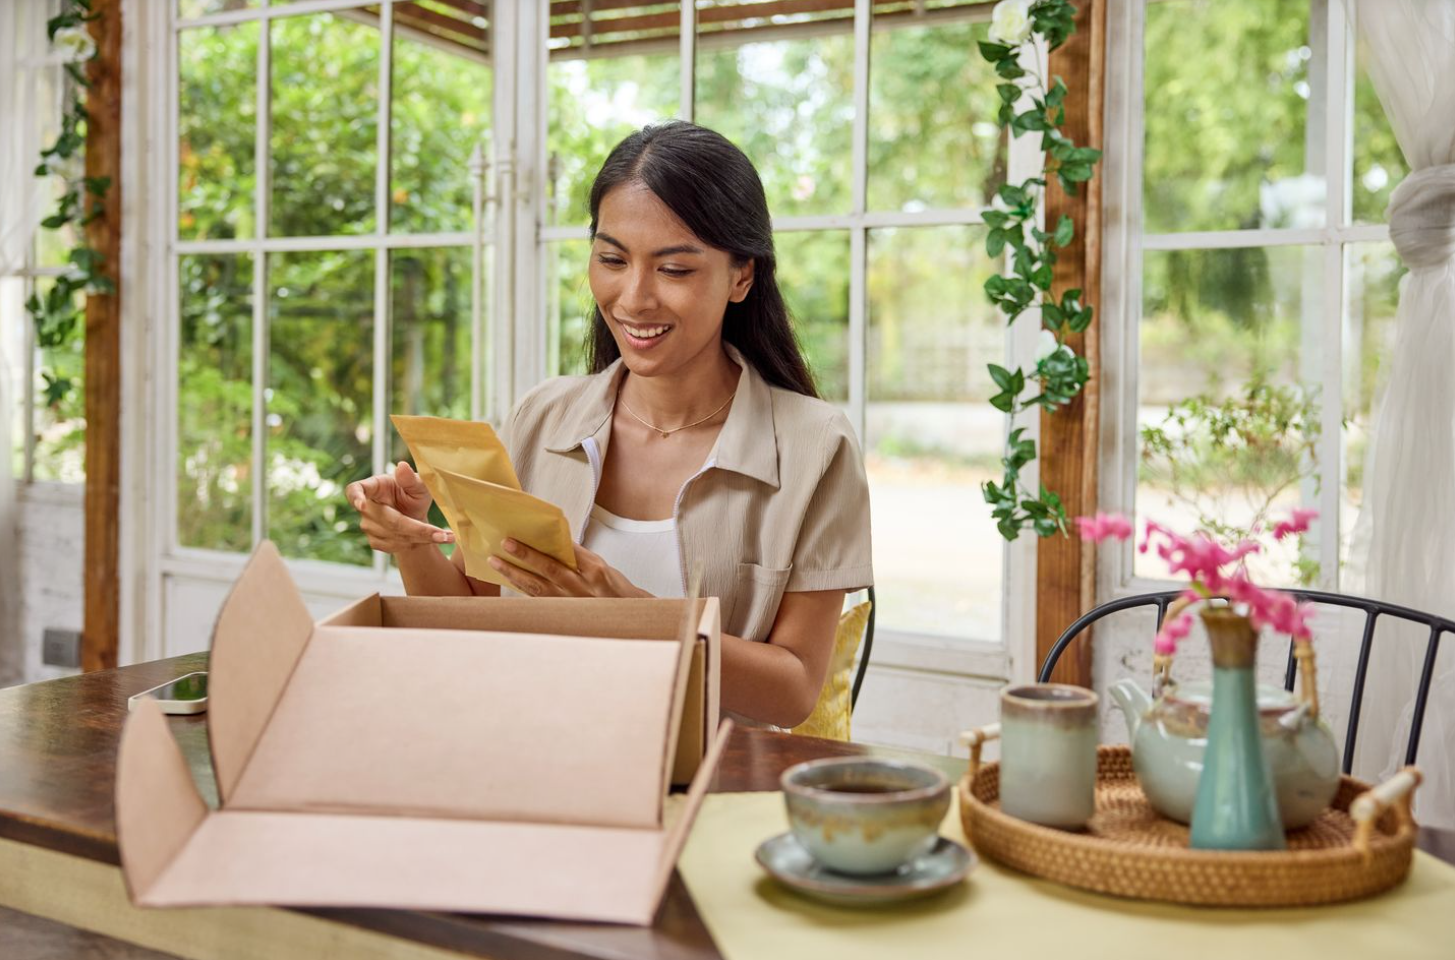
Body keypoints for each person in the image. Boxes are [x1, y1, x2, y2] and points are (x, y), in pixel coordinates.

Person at [347, 121, 872, 729]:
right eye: (612, 260)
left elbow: (794, 689)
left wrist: (631, 615)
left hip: (709, 782)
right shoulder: (541, 419)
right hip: (535, 751)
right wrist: (414, 538)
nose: (634, 298)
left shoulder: (814, 446)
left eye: (674, 270)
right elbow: (476, 617)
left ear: (742, 276)